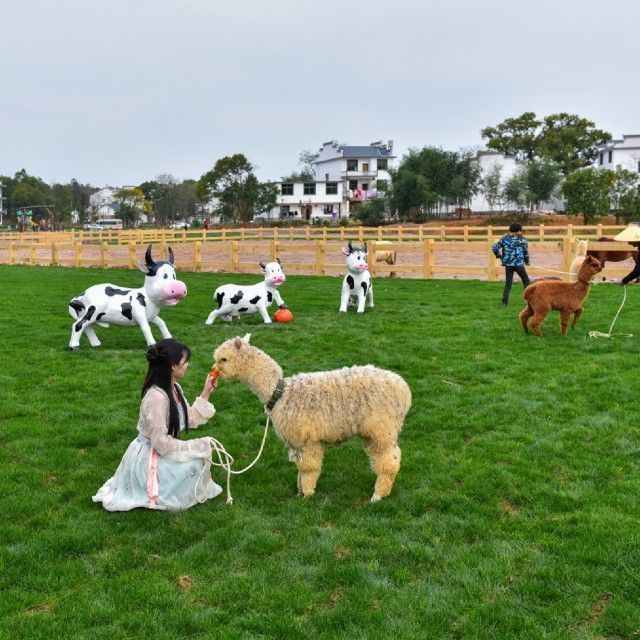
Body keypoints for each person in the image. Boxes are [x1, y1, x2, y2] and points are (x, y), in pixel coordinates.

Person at [93, 339, 222, 511]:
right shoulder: (156, 398)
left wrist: (206, 393)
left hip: (161, 448)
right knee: (195, 463)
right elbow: (160, 443)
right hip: (150, 456)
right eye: (185, 362)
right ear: (173, 367)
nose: (187, 365)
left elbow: (187, 419)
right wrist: (195, 445)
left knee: (198, 461)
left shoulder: (175, 388)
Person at [492, 222, 531, 306]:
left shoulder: (504, 239)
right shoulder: (522, 240)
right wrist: (527, 261)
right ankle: (527, 302)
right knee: (526, 282)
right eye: (521, 231)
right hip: (519, 265)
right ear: (518, 231)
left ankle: (504, 303)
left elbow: (494, 247)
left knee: (508, 284)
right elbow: (525, 252)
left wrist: (498, 255)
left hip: (508, 265)